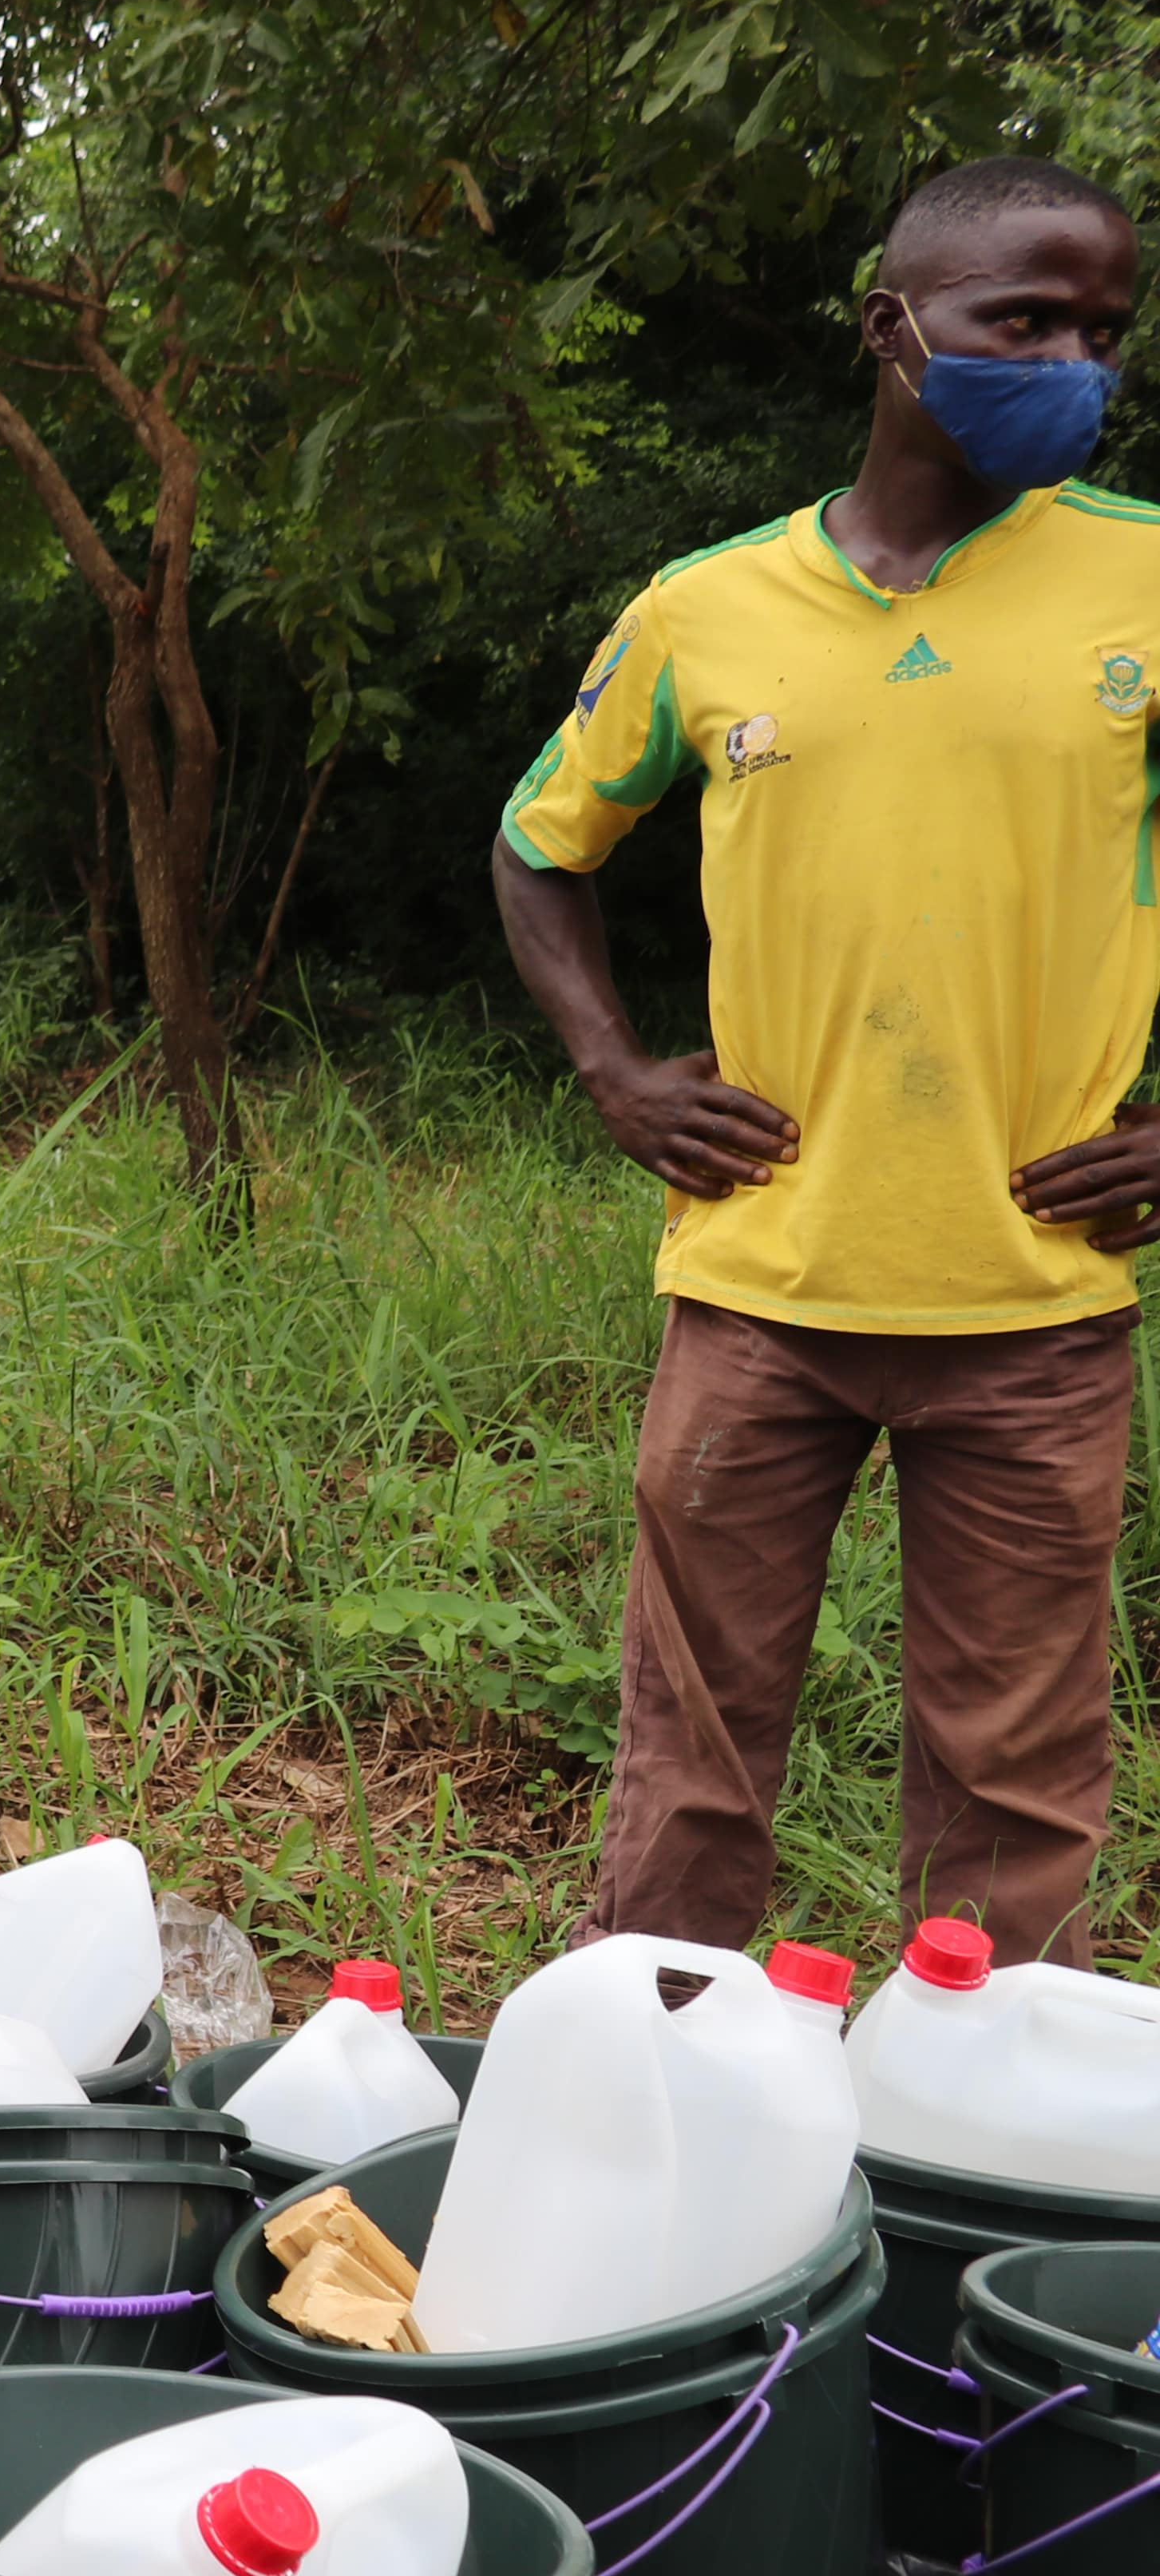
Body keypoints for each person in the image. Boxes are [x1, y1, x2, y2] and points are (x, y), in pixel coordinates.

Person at [495, 155, 1160, 1964]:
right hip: (763, 1292)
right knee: (692, 1775)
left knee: (1014, 1792)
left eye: (1104, 329)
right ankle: (671, 2105)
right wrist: (616, 1074)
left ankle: (971, 2172)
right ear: (894, 330)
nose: (1073, 363)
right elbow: (542, 844)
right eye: (1024, 320)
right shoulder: (707, 611)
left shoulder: (1144, 581)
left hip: (1035, 1307)